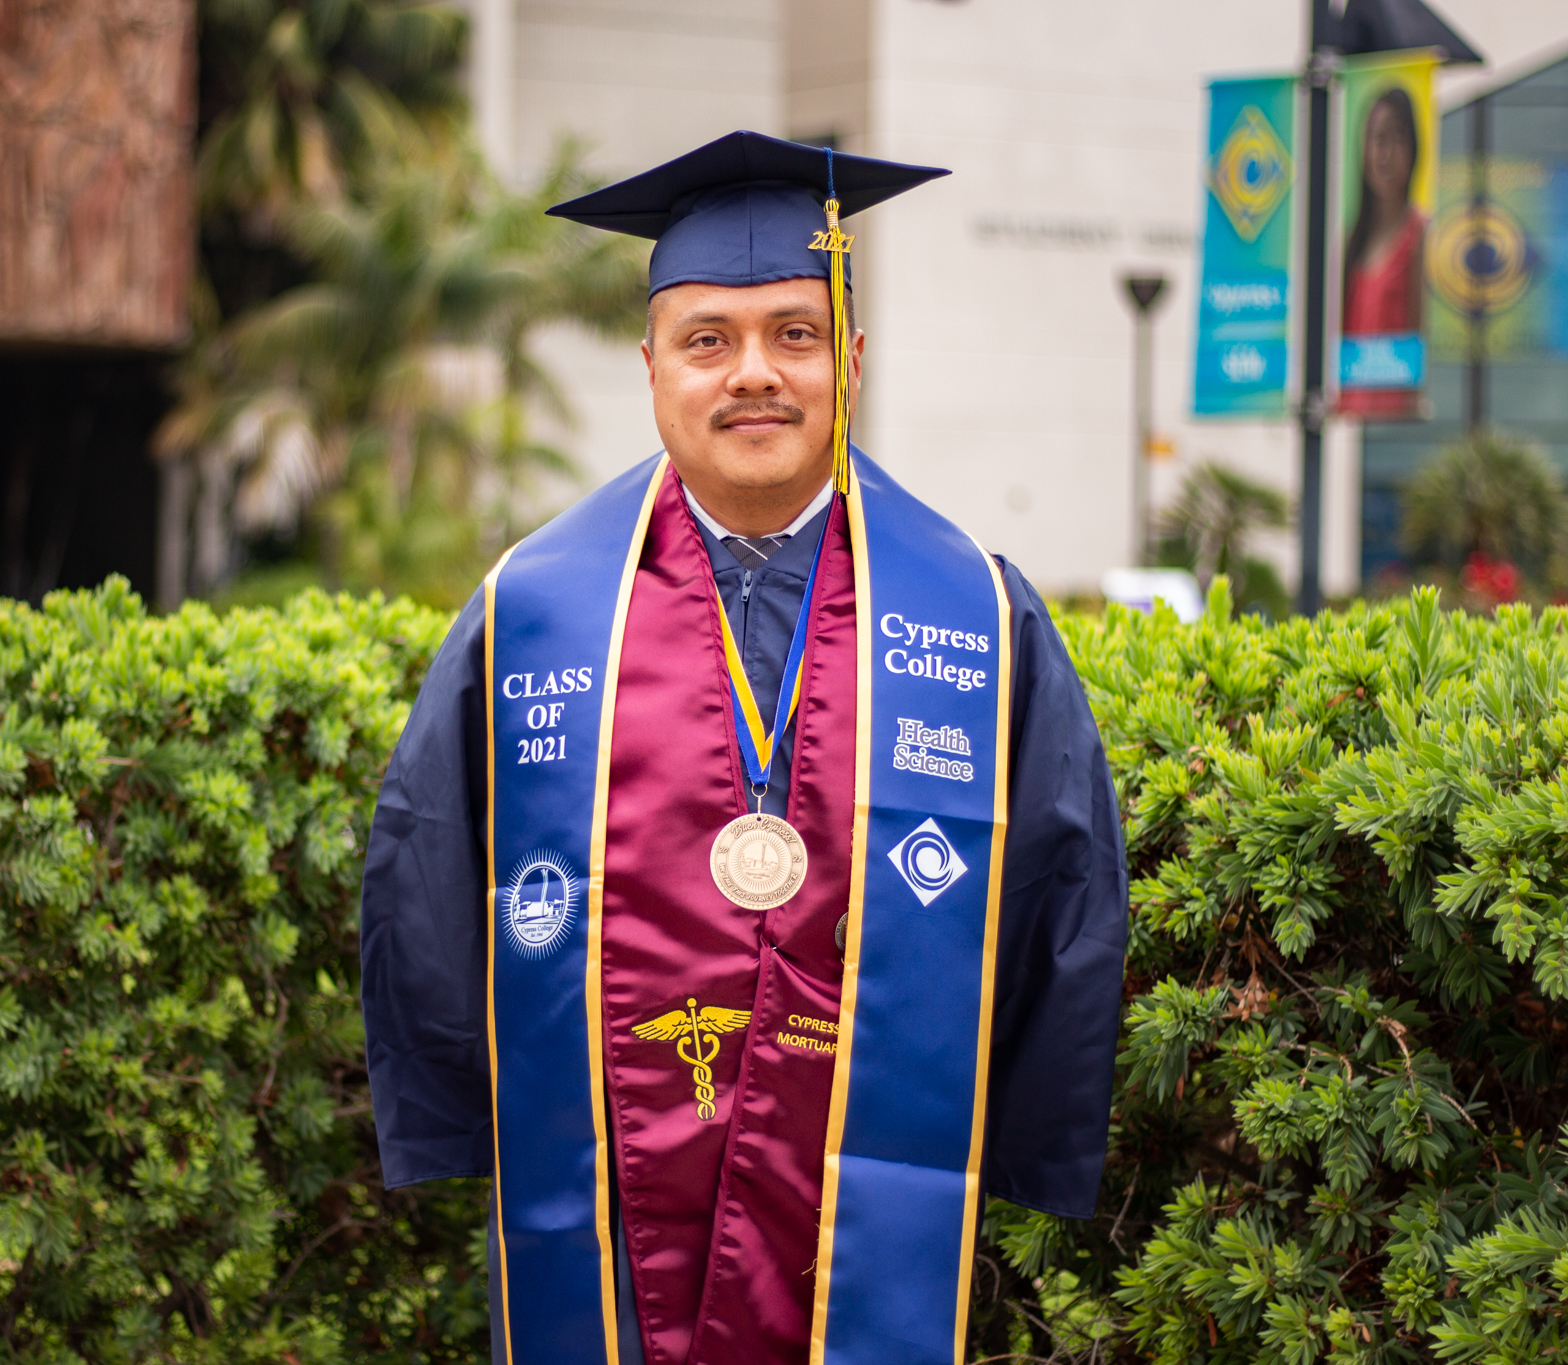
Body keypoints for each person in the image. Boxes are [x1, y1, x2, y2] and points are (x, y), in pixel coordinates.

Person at [360, 131, 1127, 1365]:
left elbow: (1062, 887)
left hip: (868, 1196)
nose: (752, 375)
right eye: (706, 339)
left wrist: (1028, 1144)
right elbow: (430, 864)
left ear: (853, 361)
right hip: (614, 1198)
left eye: (794, 333)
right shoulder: (534, 605)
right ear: (651, 366)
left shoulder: (975, 612)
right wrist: (458, 1122)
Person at [1340, 87, 1426, 419]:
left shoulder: (1419, 235)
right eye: (1377, 139)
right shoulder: (1350, 241)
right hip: (1349, 414)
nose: (1385, 154)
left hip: (1394, 414)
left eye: (1397, 138)